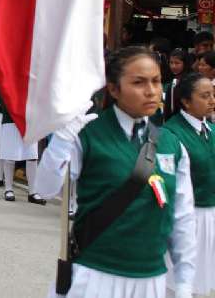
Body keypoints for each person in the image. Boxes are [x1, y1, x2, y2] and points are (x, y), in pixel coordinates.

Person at [35, 46, 196, 298]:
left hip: (151, 278)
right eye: (139, 82)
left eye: (156, 81)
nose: (152, 90)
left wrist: (185, 282)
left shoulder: (172, 144)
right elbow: (45, 189)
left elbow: (182, 218)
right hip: (94, 275)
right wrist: (62, 140)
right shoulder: (88, 134)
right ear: (113, 89)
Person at [162, 73, 215, 297]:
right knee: (177, 283)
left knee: (202, 281)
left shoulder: (210, 130)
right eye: (205, 96)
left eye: (213, 94)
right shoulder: (172, 134)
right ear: (185, 101)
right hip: (187, 216)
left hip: (210, 215)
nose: (212, 100)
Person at [164, 48, 193, 118]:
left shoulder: (189, 80)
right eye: (171, 62)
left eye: (177, 63)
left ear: (185, 63)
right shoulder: (172, 79)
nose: (173, 66)